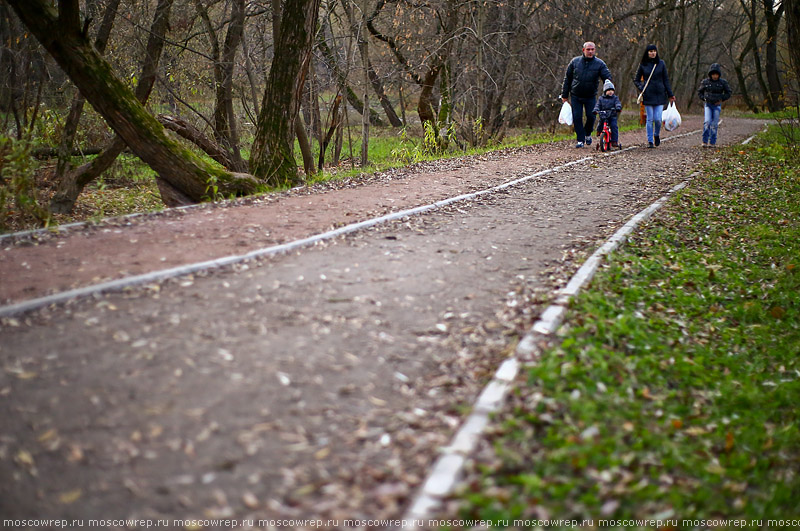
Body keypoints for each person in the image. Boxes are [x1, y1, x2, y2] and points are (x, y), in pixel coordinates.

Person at [561, 41, 612, 148]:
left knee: (591, 116)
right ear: (583, 50)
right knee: (577, 117)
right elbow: (567, 79)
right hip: (576, 95)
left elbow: (607, 77)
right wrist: (564, 95)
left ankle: (588, 133)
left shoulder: (600, 64)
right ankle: (580, 139)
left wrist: (608, 88)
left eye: (592, 49)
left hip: (590, 96)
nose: (590, 51)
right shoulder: (575, 62)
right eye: (588, 49)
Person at [633, 44, 675, 148]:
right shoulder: (643, 64)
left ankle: (656, 134)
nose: (653, 53)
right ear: (647, 53)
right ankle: (650, 140)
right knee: (650, 119)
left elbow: (666, 79)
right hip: (648, 94)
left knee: (658, 119)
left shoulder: (661, 64)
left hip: (660, 94)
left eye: (654, 51)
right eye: (650, 51)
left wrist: (670, 94)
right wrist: (642, 88)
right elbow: (636, 79)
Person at [697, 63, 732, 147]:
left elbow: (729, 92)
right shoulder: (705, 82)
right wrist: (704, 98)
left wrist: (722, 99)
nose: (715, 76)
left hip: (717, 105)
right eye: (713, 74)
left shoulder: (722, 83)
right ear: (710, 74)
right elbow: (699, 92)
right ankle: (704, 141)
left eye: (716, 74)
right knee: (707, 122)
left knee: (714, 124)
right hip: (708, 104)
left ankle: (712, 142)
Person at [593, 80, 622, 148]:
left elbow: (618, 103)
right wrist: (596, 110)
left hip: (612, 115)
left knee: (614, 126)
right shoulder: (601, 99)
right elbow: (598, 105)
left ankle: (614, 141)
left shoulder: (615, 98)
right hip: (603, 115)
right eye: (609, 90)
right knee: (600, 124)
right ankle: (599, 132)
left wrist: (617, 107)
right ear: (605, 91)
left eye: (612, 90)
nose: (610, 92)